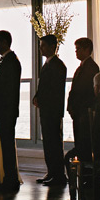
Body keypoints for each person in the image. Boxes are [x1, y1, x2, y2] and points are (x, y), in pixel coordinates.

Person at [0, 30, 22, 193]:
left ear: (4, 42)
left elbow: (5, 91)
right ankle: (9, 180)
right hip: (6, 110)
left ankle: (10, 181)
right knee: (6, 146)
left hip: (6, 111)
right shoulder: (10, 61)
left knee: (7, 147)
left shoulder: (10, 62)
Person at [34, 34, 68, 186]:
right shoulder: (47, 64)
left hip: (52, 111)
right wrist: (37, 96)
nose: (40, 49)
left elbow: (55, 90)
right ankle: (52, 171)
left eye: (43, 46)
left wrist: (43, 100)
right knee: (48, 142)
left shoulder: (58, 65)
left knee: (54, 143)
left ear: (52, 47)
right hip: (47, 110)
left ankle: (59, 175)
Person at [66, 37, 100, 162]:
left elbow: (85, 91)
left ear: (87, 49)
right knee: (79, 141)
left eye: (78, 49)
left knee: (84, 143)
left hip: (84, 112)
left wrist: (78, 107)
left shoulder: (91, 67)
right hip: (78, 111)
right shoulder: (81, 67)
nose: (76, 52)